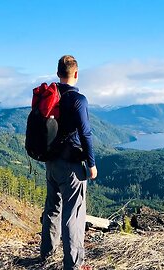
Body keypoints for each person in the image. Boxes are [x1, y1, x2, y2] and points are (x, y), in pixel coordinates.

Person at [40, 55, 98, 270]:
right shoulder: (77, 99)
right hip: (71, 165)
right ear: (76, 73)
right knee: (73, 215)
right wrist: (91, 164)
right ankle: (73, 265)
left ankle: (46, 254)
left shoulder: (49, 96)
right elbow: (86, 133)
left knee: (52, 209)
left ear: (58, 74)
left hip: (50, 162)